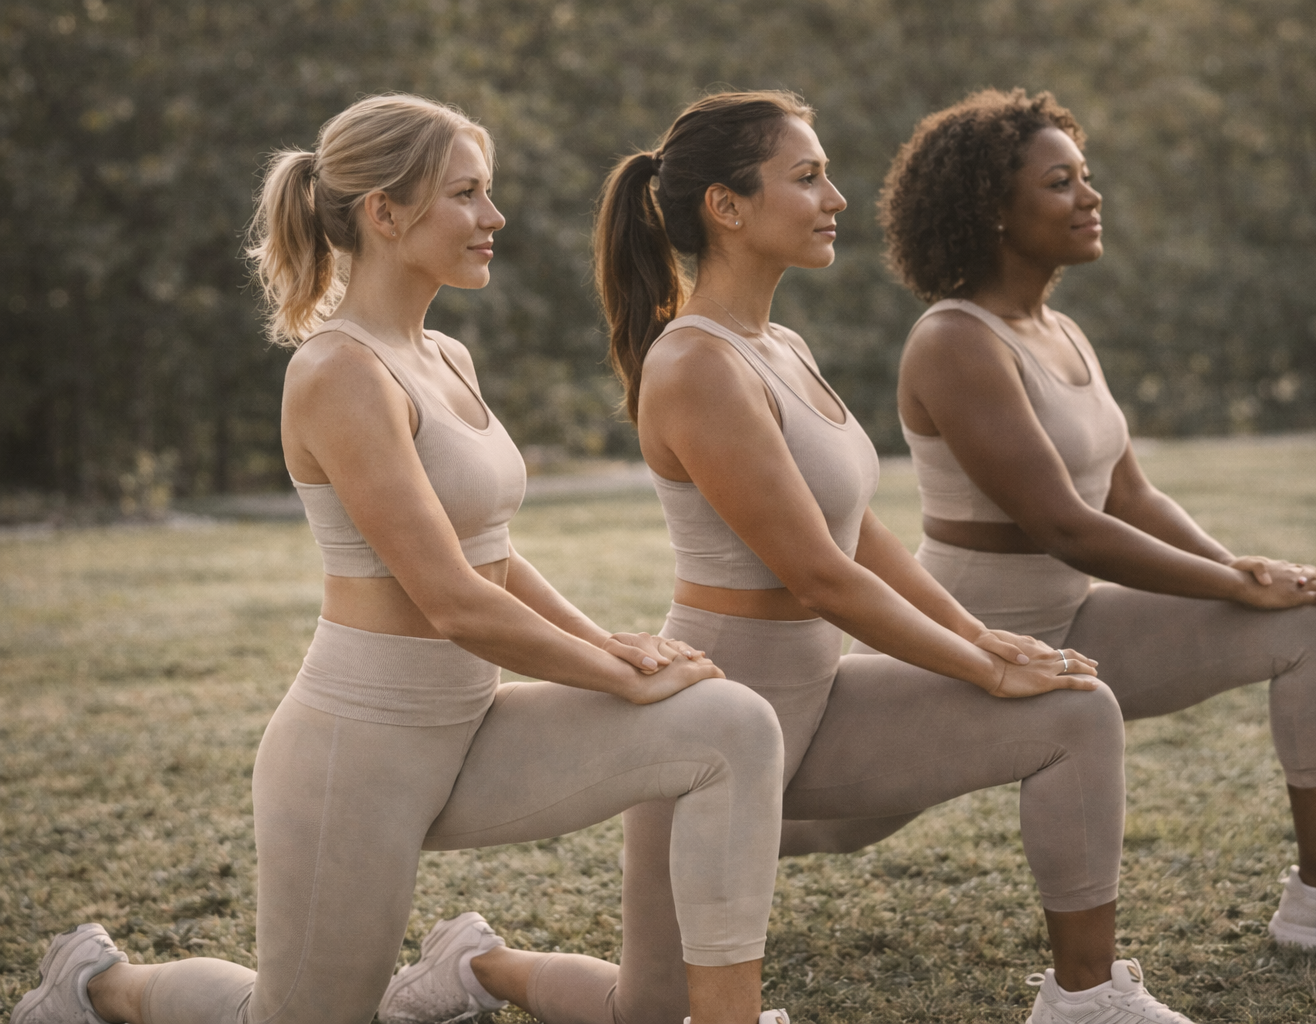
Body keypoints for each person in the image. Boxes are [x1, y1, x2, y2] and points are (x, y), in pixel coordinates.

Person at [415, 90, 1206, 1024]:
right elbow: (817, 576)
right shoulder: (696, 364)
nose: (835, 197)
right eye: (808, 176)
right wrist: (983, 664)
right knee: (651, 1014)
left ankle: (1087, 999)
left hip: (817, 702)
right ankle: (479, 965)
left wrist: (983, 635)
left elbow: (860, 534)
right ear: (728, 206)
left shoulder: (781, 345)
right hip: (710, 721)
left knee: (1077, 713)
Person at [13, 94, 797, 1024]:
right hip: (360, 750)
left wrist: (615, 645)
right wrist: (613, 675)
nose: (493, 217)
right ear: (385, 215)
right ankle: (99, 985)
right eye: (466, 194)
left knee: (729, 727)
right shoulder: (338, 373)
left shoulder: (446, 355)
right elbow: (452, 601)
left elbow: (492, 557)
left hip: (471, 729)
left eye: (487, 192)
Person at [870, 86, 1316, 965]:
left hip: (1071, 630)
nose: (1090, 195)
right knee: (832, 822)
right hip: (970, 644)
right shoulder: (953, 342)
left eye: (1086, 176)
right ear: (991, 209)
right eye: (1060, 182)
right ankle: (692, 843)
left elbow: (1131, 495)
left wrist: (1247, 572)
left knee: (1309, 618)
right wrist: (1231, 584)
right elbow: (1065, 526)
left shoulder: (1062, 332)